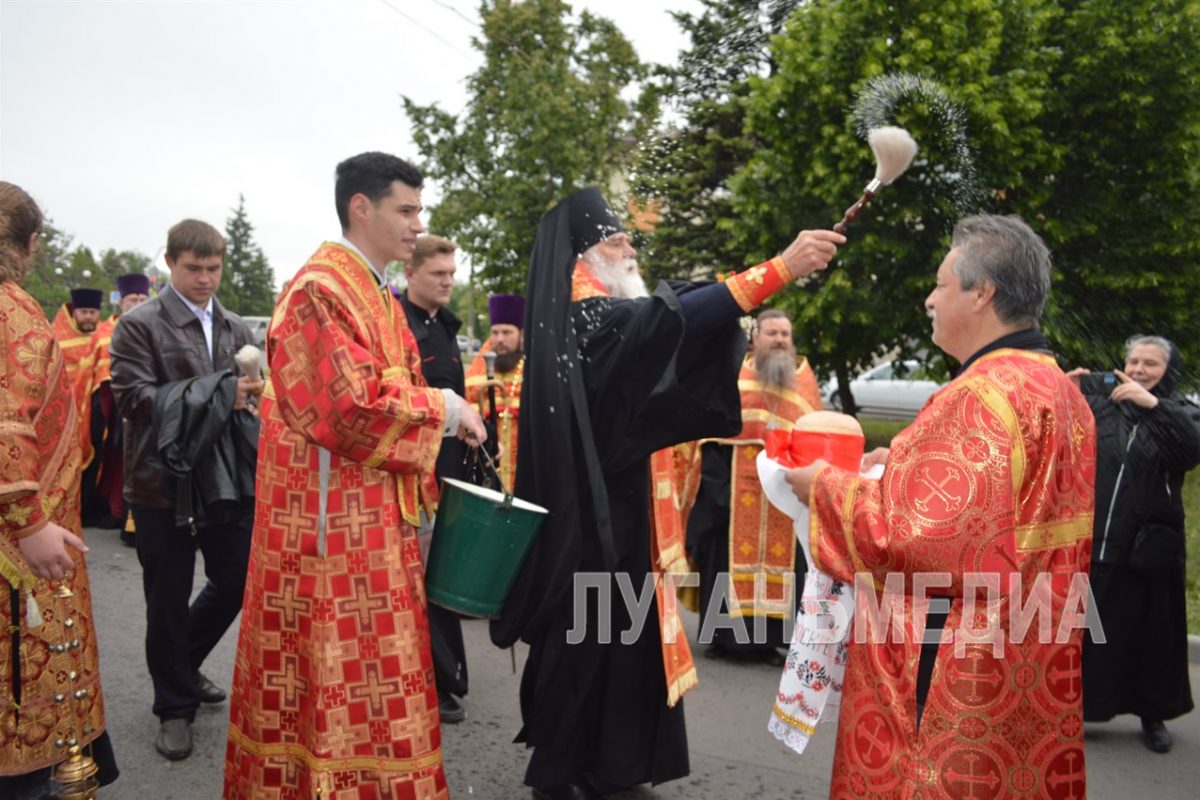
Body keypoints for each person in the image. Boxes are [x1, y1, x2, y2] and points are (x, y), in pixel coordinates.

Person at [491, 186, 844, 799]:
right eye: (615, 238)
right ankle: (558, 772)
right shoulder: (584, 317)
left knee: (620, 645)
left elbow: (663, 324)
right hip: (588, 524)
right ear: (582, 255)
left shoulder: (597, 314)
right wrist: (780, 269)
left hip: (619, 517)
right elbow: (666, 318)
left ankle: (609, 766)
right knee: (587, 644)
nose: (630, 247)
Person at [784, 214, 1095, 798]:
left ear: (983, 293)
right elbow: (997, 515)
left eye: (941, 284)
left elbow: (915, 541)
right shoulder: (1058, 389)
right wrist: (896, 463)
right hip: (1028, 657)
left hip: (953, 667)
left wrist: (822, 485)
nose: (929, 298)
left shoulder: (980, 395)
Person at [224, 151, 485, 799]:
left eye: (420, 211)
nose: (417, 226)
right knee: (329, 689)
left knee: (368, 688)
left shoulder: (373, 290)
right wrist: (444, 410)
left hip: (369, 527)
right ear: (360, 207)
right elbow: (346, 411)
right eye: (406, 210)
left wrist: (444, 413)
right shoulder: (322, 288)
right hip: (326, 537)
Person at [109, 220, 261, 761]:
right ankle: (174, 709)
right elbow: (132, 399)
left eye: (213, 268)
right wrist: (221, 392)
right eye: (194, 268)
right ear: (170, 264)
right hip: (159, 483)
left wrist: (247, 399)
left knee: (240, 579)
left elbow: (246, 399)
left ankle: (182, 665)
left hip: (222, 480)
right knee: (166, 599)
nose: (205, 278)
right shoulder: (138, 324)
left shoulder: (237, 326)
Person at [0, 181, 119, 797]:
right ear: (30, 243)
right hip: (18, 546)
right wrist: (29, 521)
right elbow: (6, 420)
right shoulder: (10, 309)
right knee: (29, 686)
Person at [1073, 336, 1199, 752]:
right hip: (1100, 541)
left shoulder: (1179, 412)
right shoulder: (1104, 406)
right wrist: (1063, 386)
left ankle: (1154, 716)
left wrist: (1154, 405)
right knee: (1095, 635)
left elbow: (1191, 448)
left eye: (1152, 363)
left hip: (1151, 547)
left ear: (1170, 370)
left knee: (1153, 638)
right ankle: (1084, 710)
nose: (1141, 369)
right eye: (1134, 360)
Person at [686, 309, 823, 665]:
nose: (780, 339)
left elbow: (815, 437)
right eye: (772, 333)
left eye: (785, 334)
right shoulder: (735, 374)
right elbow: (711, 437)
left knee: (781, 567)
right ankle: (721, 636)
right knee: (724, 557)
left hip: (783, 496)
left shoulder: (803, 381)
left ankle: (767, 642)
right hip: (732, 490)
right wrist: (717, 495)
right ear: (755, 338)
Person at [398, 233, 474, 724]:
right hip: (410, 467)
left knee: (440, 573)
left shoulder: (445, 326)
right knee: (414, 577)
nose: (448, 282)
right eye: (437, 275)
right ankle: (435, 679)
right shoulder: (394, 322)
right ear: (411, 273)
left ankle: (444, 675)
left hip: (447, 466)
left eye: (451, 274)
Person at [78, 273, 152, 531]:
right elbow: (92, 376)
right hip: (110, 411)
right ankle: (112, 509)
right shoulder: (105, 333)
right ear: (122, 302)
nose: (140, 302)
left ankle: (131, 518)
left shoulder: (157, 326)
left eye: (144, 298)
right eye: (134, 298)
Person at [465, 293, 525, 491]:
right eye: (495, 332)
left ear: (522, 335)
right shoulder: (477, 371)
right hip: (489, 466)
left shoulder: (535, 368)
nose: (500, 339)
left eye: (507, 333)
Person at [51, 286, 104, 412]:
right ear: (74, 313)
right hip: (65, 403)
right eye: (83, 312)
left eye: (92, 312)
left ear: (99, 314)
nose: (88, 316)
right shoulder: (57, 337)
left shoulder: (105, 338)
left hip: (97, 404)